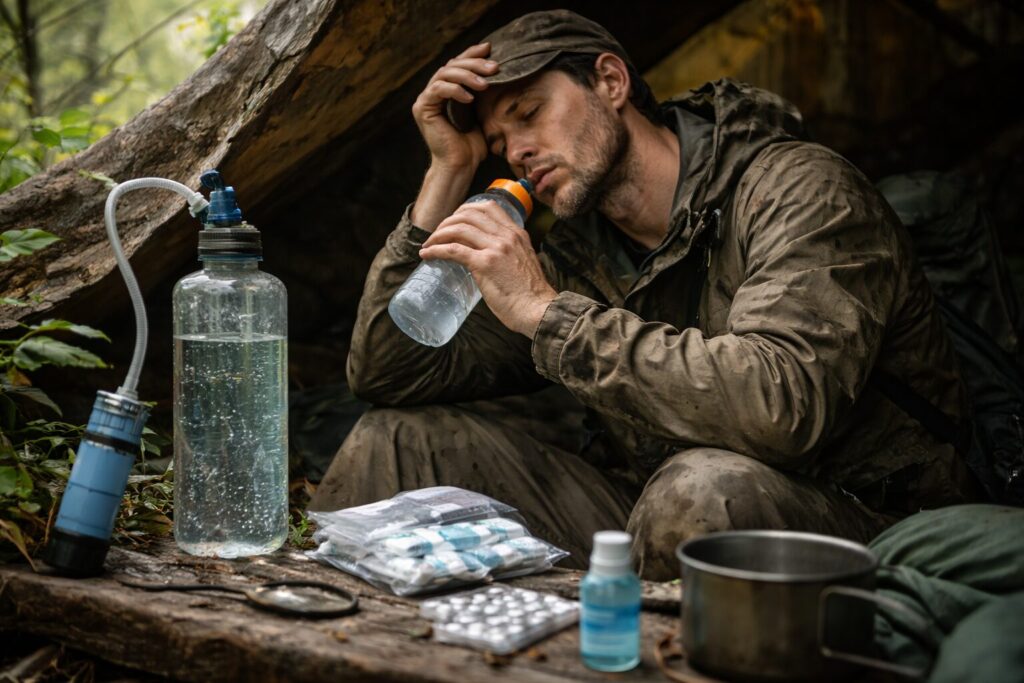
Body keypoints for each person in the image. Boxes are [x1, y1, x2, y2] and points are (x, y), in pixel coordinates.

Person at [309, 9, 978, 580]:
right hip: (647, 513)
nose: (515, 151)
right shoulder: (578, 254)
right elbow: (388, 372)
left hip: (855, 519)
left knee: (700, 490)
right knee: (393, 438)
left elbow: (781, 408)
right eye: (497, 142)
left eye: (529, 113)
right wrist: (446, 173)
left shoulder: (799, 190)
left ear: (610, 80)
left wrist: (547, 314)